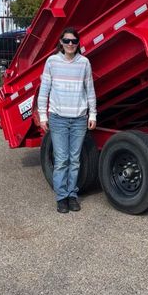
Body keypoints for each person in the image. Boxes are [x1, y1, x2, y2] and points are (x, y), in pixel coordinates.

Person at [37, 27, 97, 214]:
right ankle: (61, 197)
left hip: (79, 118)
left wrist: (92, 114)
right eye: (67, 41)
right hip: (58, 118)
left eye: (74, 41)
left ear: (78, 43)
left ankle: (72, 195)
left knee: (75, 160)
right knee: (62, 160)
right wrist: (43, 115)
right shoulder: (52, 62)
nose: (70, 44)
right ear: (61, 43)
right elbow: (44, 90)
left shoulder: (84, 63)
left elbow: (90, 90)